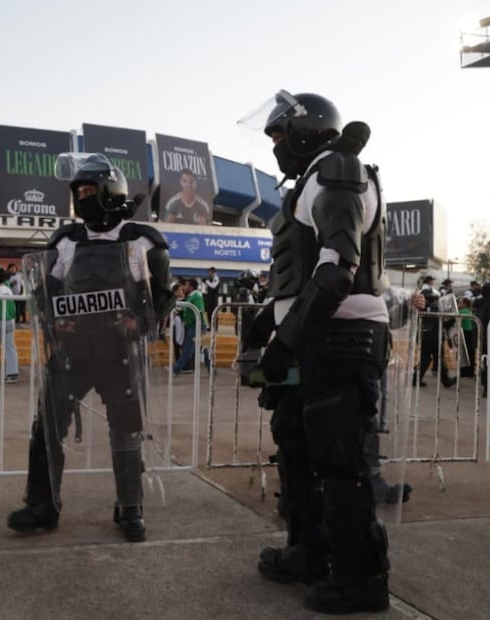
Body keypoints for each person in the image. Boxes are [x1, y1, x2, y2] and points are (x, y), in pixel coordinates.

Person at [241, 91, 393, 613]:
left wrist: (284, 342)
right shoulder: (312, 179)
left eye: (280, 134)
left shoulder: (337, 172)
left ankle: (362, 580)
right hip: (312, 338)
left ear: (306, 129)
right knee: (297, 448)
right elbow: (303, 275)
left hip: (342, 339)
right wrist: (271, 318)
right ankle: (308, 552)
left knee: (339, 459)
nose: (276, 146)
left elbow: (334, 275)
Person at [7, 153, 174, 542]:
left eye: (88, 190)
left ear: (108, 191)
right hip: (72, 353)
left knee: (127, 430)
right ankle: (42, 505)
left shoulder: (142, 242)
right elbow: (44, 291)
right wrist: (53, 320)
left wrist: (140, 323)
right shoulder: (65, 241)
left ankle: (130, 507)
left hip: (121, 353)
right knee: (46, 427)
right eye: (78, 191)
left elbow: (162, 297)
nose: (82, 197)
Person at [172, 278, 208, 375]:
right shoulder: (191, 296)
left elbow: (201, 310)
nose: (185, 287)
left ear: (191, 287)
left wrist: (203, 325)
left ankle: (176, 369)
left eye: (187, 285)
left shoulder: (196, 296)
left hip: (195, 326)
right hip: (193, 326)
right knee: (203, 347)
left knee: (188, 348)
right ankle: (211, 369)